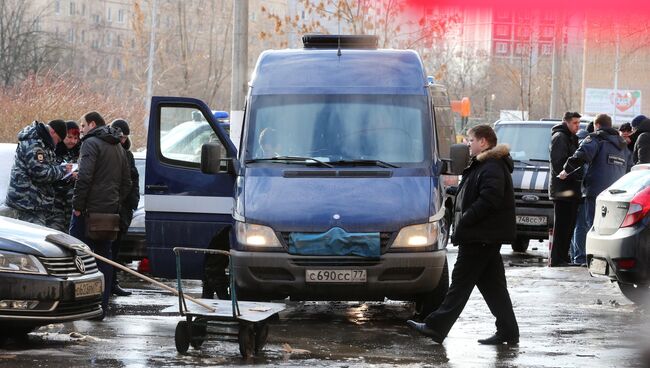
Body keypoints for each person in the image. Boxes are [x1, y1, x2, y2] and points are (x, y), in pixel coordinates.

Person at [407, 124, 519, 345]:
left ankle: (435, 328)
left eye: (471, 140)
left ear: (483, 142)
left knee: (459, 285)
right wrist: (454, 193)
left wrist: (466, 217)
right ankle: (508, 330)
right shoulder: (484, 165)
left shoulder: (492, 166)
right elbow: (477, 191)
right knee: (494, 288)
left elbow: (489, 199)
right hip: (484, 237)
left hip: (480, 237)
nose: (468, 144)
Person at [70, 112, 131, 319]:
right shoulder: (118, 147)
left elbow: (84, 176)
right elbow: (126, 183)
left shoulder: (90, 143)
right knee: (105, 259)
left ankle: (75, 307)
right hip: (109, 214)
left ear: (92, 124)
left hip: (87, 212)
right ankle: (100, 308)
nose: (81, 129)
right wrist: (114, 203)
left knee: (76, 257)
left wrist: (78, 206)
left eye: (83, 124)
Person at [559, 113, 632, 239]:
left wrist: (566, 170)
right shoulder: (623, 146)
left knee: (592, 226)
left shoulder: (596, 139)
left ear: (597, 125)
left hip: (596, 192)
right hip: (617, 195)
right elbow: (630, 170)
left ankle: (589, 257)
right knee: (610, 229)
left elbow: (582, 155)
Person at [6, 120, 72, 227]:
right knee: (32, 240)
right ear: (53, 132)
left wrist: (62, 169)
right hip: (27, 204)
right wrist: (63, 170)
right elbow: (41, 173)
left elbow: (47, 166)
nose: (57, 143)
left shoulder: (43, 143)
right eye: (58, 140)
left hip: (35, 203)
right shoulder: (35, 144)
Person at [109, 119, 140, 297]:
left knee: (116, 249)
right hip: (113, 207)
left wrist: (131, 203)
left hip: (123, 209)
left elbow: (133, 180)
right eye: (121, 137)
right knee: (108, 249)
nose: (122, 140)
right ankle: (109, 282)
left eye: (125, 138)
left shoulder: (127, 155)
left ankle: (113, 281)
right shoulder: (111, 151)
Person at [548, 112, 582, 267]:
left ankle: (563, 257)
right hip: (562, 190)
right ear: (566, 122)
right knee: (562, 226)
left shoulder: (570, 137)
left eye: (578, 123)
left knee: (568, 225)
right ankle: (557, 259)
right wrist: (572, 174)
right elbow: (558, 164)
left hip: (569, 190)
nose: (578, 126)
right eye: (575, 123)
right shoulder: (560, 137)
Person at [569, 121, 594, 266]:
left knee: (576, 226)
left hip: (573, 194)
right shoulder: (583, 156)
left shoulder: (573, 151)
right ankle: (579, 257)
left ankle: (575, 256)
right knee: (581, 226)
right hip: (582, 194)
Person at [51, 121, 81, 232]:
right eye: (69, 137)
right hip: (55, 201)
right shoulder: (53, 150)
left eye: (75, 138)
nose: (72, 141)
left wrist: (78, 175)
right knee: (55, 231)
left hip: (72, 202)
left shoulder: (81, 152)